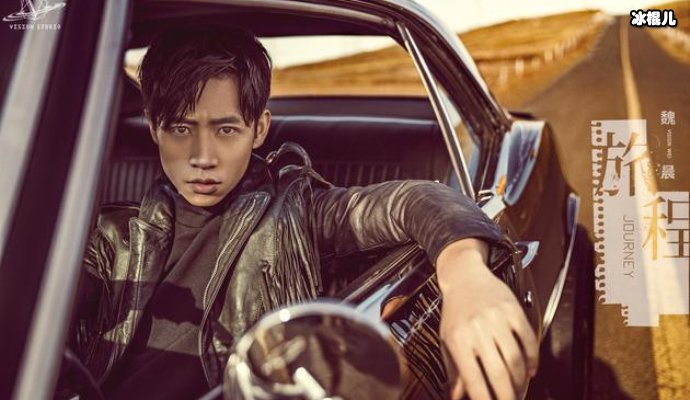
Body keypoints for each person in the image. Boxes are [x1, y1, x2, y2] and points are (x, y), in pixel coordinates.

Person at [64, 28, 538, 400]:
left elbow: (416, 201)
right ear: (153, 128)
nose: (202, 157)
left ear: (259, 129)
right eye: (180, 129)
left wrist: (466, 277)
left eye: (226, 130)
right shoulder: (111, 237)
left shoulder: (297, 215)